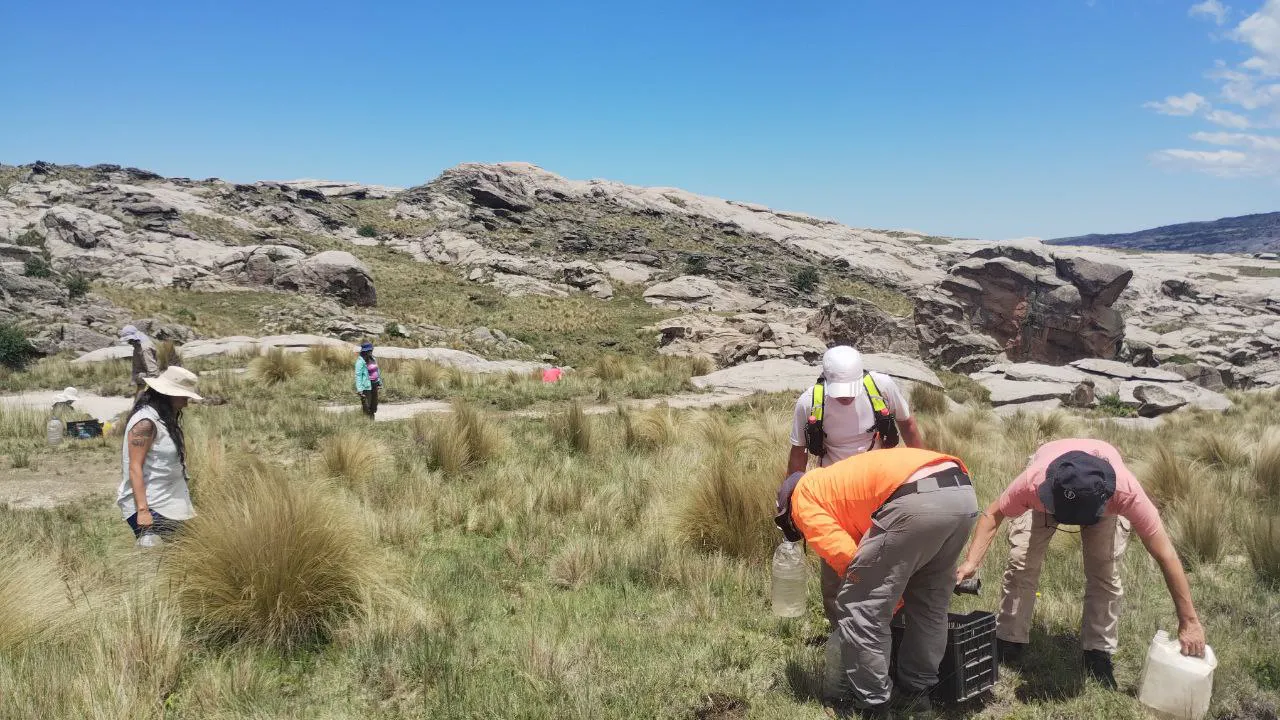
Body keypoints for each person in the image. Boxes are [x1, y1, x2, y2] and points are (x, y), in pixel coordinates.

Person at [954, 439, 1207, 689]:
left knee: (1104, 571)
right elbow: (993, 513)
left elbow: (1166, 555)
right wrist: (971, 562)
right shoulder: (1034, 483)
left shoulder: (1125, 493)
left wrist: (1190, 621)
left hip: (1100, 503)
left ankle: (1098, 652)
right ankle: (1009, 639)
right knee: (1022, 562)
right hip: (1048, 490)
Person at [778, 448, 979, 718]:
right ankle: (915, 695)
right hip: (961, 493)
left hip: (914, 501)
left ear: (788, 510)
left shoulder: (803, 498)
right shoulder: (832, 483)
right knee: (929, 603)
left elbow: (846, 558)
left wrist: (884, 598)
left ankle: (875, 706)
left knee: (860, 606)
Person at [786, 345, 925, 626]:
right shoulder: (809, 403)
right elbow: (798, 453)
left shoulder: (882, 388)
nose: (846, 397)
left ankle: (892, 626)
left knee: (889, 562)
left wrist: (923, 470)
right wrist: (794, 499)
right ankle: (841, 631)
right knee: (835, 570)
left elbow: (908, 426)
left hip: (881, 493)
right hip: (834, 499)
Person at [116, 366, 202, 542]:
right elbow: (134, 467)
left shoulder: (162, 417)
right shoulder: (145, 423)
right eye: (184, 397)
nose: (186, 403)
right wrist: (143, 510)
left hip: (169, 501)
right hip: (153, 505)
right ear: (168, 394)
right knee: (167, 553)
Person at [119, 325, 159, 396]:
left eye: (129, 340)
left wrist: (151, 391)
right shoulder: (138, 345)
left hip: (148, 382)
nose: (129, 342)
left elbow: (153, 371)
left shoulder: (144, 348)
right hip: (143, 381)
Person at [355, 342, 383, 419]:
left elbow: (377, 371)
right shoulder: (360, 362)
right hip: (366, 386)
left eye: (371, 350)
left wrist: (379, 382)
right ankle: (367, 421)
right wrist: (359, 389)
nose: (371, 351)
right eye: (369, 350)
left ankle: (372, 420)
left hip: (375, 384)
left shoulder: (373, 358)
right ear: (365, 351)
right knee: (367, 405)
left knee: (374, 404)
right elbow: (358, 376)